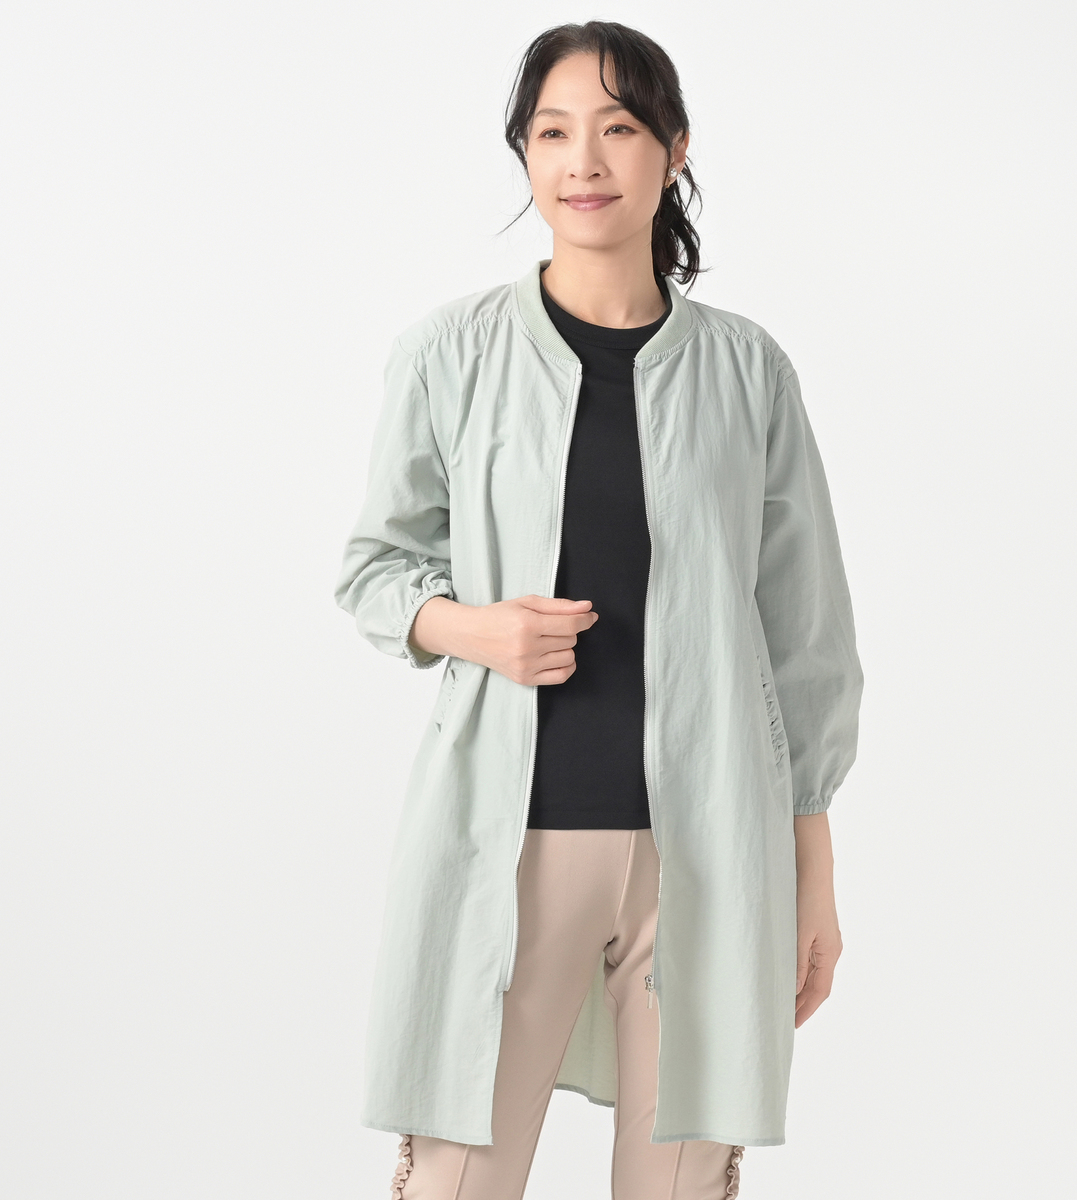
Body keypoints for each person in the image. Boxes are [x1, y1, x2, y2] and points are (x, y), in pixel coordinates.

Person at [333, 20, 864, 1200]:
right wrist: (479, 629)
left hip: (710, 851)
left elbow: (809, 639)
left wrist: (812, 875)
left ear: (674, 149)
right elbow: (375, 570)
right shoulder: (450, 355)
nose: (583, 161)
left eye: (618, 128)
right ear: (523, 155)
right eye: (552, 133)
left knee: (683, 1183)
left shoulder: (748, 372)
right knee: (456, 1177)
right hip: (511, 838)